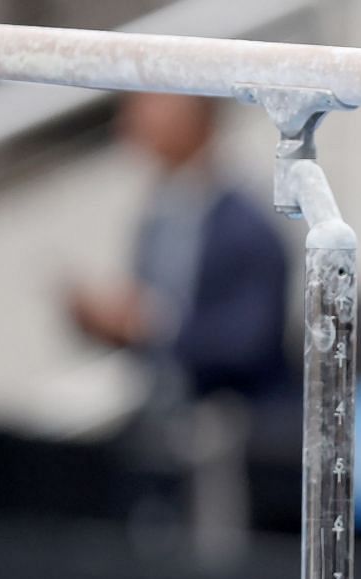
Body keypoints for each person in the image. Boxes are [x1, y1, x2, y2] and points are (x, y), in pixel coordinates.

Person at [67, 92, 293, 533]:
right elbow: (150, 334)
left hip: (233, 427)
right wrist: (108, 324)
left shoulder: (248, 226)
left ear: (199, 117)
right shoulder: (156, 217)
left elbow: (251, 341)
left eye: (155, 104)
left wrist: (149, 323)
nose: (137, 115)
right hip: (159, 419)